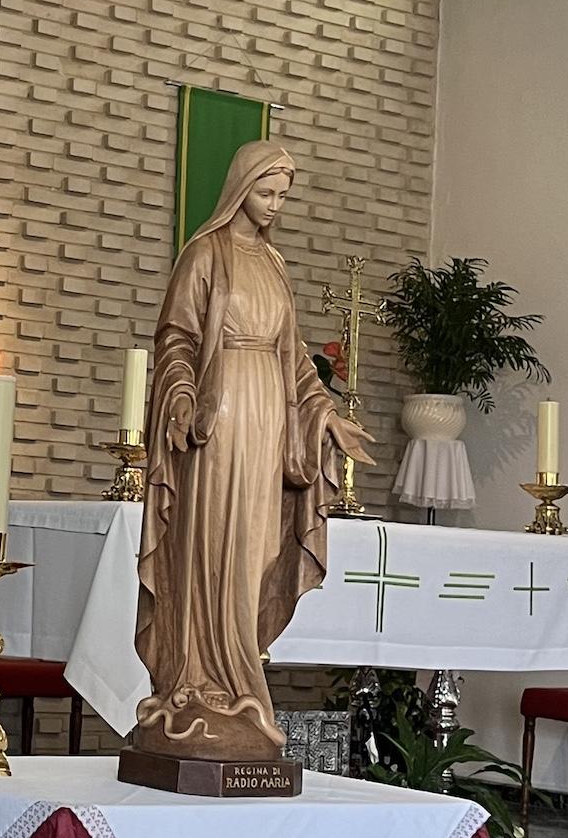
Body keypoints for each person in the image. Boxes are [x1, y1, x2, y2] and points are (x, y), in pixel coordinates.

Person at [132, 141, 374, 763]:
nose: (274, 206)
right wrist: (180, 397)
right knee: (215, 546)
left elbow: (296, 361)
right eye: (267, 192)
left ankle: (240, 683)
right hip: (219, 423)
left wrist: (327, 417)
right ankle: (197, 680)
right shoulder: (204, 255)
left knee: (257, 552)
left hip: (270, 423)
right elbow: (176, 339)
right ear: (241, 188)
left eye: (283, 196)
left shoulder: (273, 263)